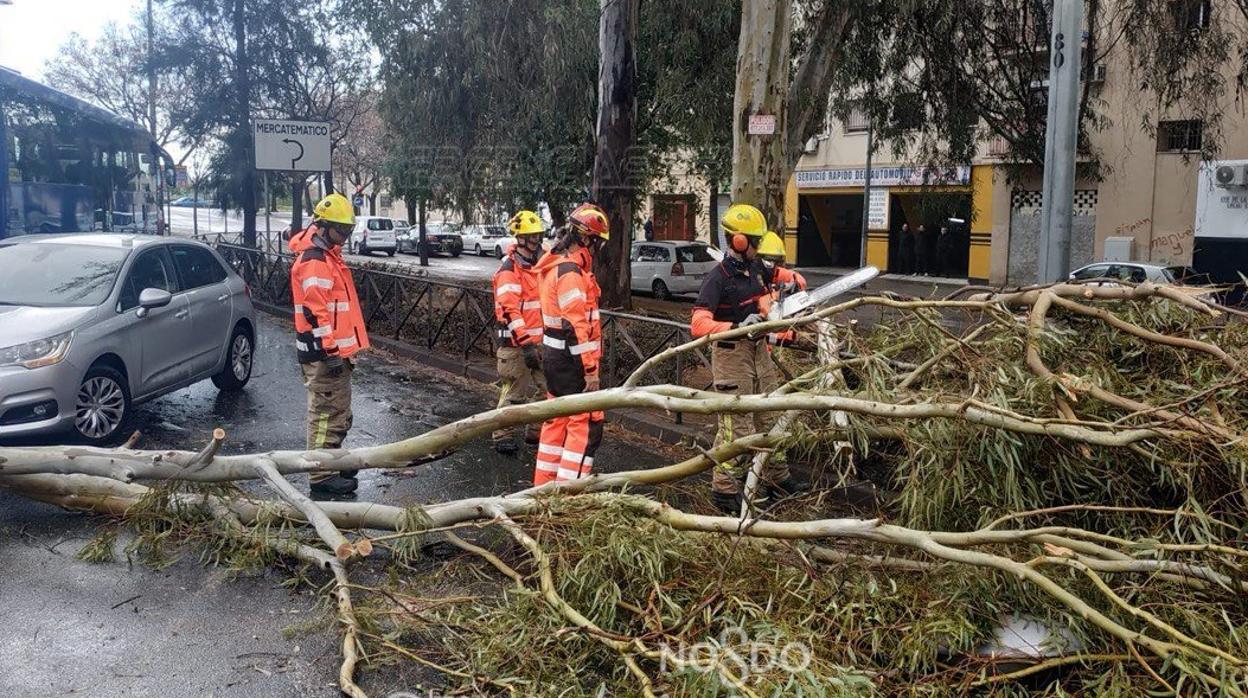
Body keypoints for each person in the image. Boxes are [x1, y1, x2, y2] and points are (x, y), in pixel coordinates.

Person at [692, 205, 804, 514]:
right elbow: (698, 324)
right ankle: (725, 490)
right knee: (736, 426)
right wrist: (736, 327)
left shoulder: (754, 267)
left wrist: (794, 280)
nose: (758, 246)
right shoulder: (718, 278)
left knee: (771, 415)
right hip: (731, 355)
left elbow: (778, 274)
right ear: (739, 241)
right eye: (755, 240)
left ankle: (778, 479)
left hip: (758, 353)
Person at [289, 193, 370, 498]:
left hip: (333, 352)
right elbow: (316, 310)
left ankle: (331, 459)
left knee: (338, 412)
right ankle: (321, 475)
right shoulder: (315, 260)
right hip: (324, 354)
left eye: (348, 231)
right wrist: (331, 351)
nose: (345, 238)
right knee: (324, 413)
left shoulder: (329, 255)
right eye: (341, 231)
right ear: (322, 226)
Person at [532, 203, 610, 486]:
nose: (597, 250)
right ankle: (569, 493)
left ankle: (542, 490)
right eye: (597, 243)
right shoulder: (570, 273)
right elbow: (576, 328)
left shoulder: (555, 266)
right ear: (586, 239)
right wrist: (590, 371)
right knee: (586, 424)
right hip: (572, 361)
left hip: (555, 357)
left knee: (557, 421)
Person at [491, 210, 548, 453]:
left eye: (538, 235)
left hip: (541, 343)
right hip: (516, 347)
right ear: (520, 238)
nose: (536, 240)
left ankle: (535, 432)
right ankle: (502, 435)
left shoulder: (539, 267)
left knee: (549, 391)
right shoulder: (509, 270)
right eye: (531, 236)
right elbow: (511, 310)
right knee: (514, 394)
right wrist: (526, 344)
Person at [756, 231, 807, 348]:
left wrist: (794, 285)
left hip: (766, 343)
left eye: (775, 261)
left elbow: (799, 279)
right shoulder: (747, 280)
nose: (772, 265)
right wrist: (777, 295)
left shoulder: (773, 273)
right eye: (769, 261)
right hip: (753, 339)